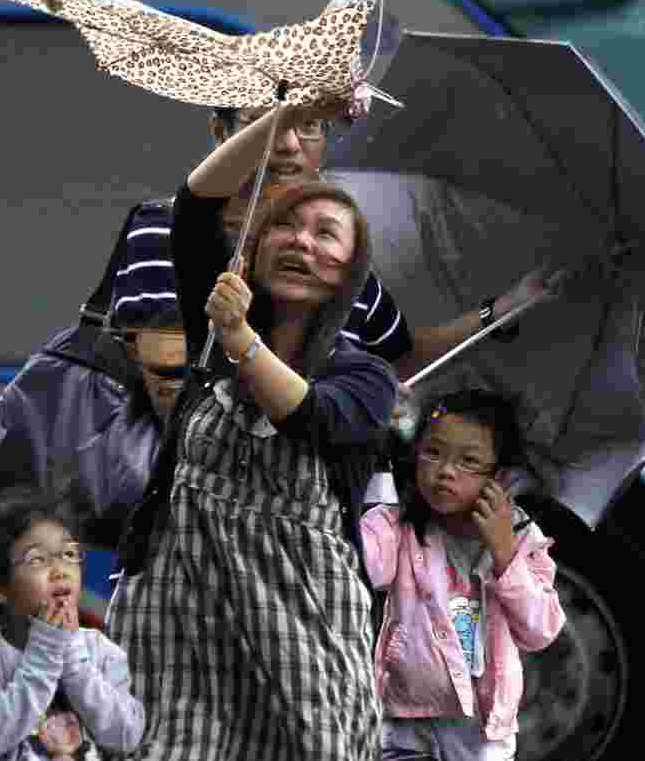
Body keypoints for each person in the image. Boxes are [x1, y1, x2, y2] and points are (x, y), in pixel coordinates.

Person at [107, 103, 397, 760]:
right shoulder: (213, 325)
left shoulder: (365, 377)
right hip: (176, 607)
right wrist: (287, 116)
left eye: (327, 234)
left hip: (303, 625)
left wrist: (241, 342)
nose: (303, 241)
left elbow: (307, 415)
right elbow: (195, 202)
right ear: (257, 245)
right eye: (288, 227)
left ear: (348, 270)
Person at [113, 104, 548, 381]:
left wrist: (496, 313)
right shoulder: (161, 231)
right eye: (262, 123)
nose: (287, 145)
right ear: (220, 133)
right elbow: (149, 372)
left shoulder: (338, 265)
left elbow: (396, 358)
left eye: (310, 127)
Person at [361, 389, 566, 761]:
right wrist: (377, 470)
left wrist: (504, 553)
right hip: (405, 722)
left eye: (469, 461)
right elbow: (364, 566)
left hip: (481, 736)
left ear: (499, 476)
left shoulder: (520, 537)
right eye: (433, 453)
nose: (445, 472)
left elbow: (540, 631)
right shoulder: (397, 524)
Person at [0, 492, 146, 761]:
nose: (61, 570)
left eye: (69, 554)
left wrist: (73, 659)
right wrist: (43, 654)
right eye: (37, 560)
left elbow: (126, 737)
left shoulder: (100, 651)